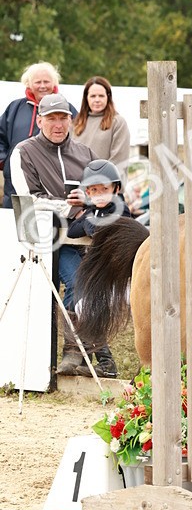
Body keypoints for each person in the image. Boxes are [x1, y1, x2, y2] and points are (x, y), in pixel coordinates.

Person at [8, 93, 95, 373]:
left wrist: (89, 201)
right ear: (40, 121)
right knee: (80, 283)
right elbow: (28, 198)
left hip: (84, 238)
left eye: (63, 118)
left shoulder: (85, 153)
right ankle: (77, 352)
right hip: (42, 240)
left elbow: (103, 191)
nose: (58, 125)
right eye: (51, 119)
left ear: (71, 120)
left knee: (89, 288)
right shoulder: (23, 151)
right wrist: (71, 209)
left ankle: (85, 353)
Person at [67, 159, 132, 376]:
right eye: (94, 190)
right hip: (103, 277)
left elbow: (97, 231)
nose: (100, 194)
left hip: (120, 278)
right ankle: (96, 361)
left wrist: (87, 219)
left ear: (116, 188)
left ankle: (106, 364)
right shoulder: (93, 211)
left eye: (104, 189)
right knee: (81, 307)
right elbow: (72, 231)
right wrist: (87, 216)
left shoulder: (121, 211)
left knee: (86, 308)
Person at [0, 62, 76, 208]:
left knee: (49, 222)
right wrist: (5, 161)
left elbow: (77, 141)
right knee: (15, 223)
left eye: (46, 81)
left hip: (53, 181)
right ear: (28, 84)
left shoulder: (68, 109)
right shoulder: (15, 108)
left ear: (54, 83)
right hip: (15, 181)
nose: (42, 86)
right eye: (38, 82)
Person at [72, 77, 131, 182]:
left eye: (101, 96)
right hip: (80, 188)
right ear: (86, 98)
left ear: (108, 97)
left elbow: (118, 160)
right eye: (93, 96)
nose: (97, 100)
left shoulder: (118, 122)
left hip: (107, 189)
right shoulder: (76, 124)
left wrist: (96, 182)